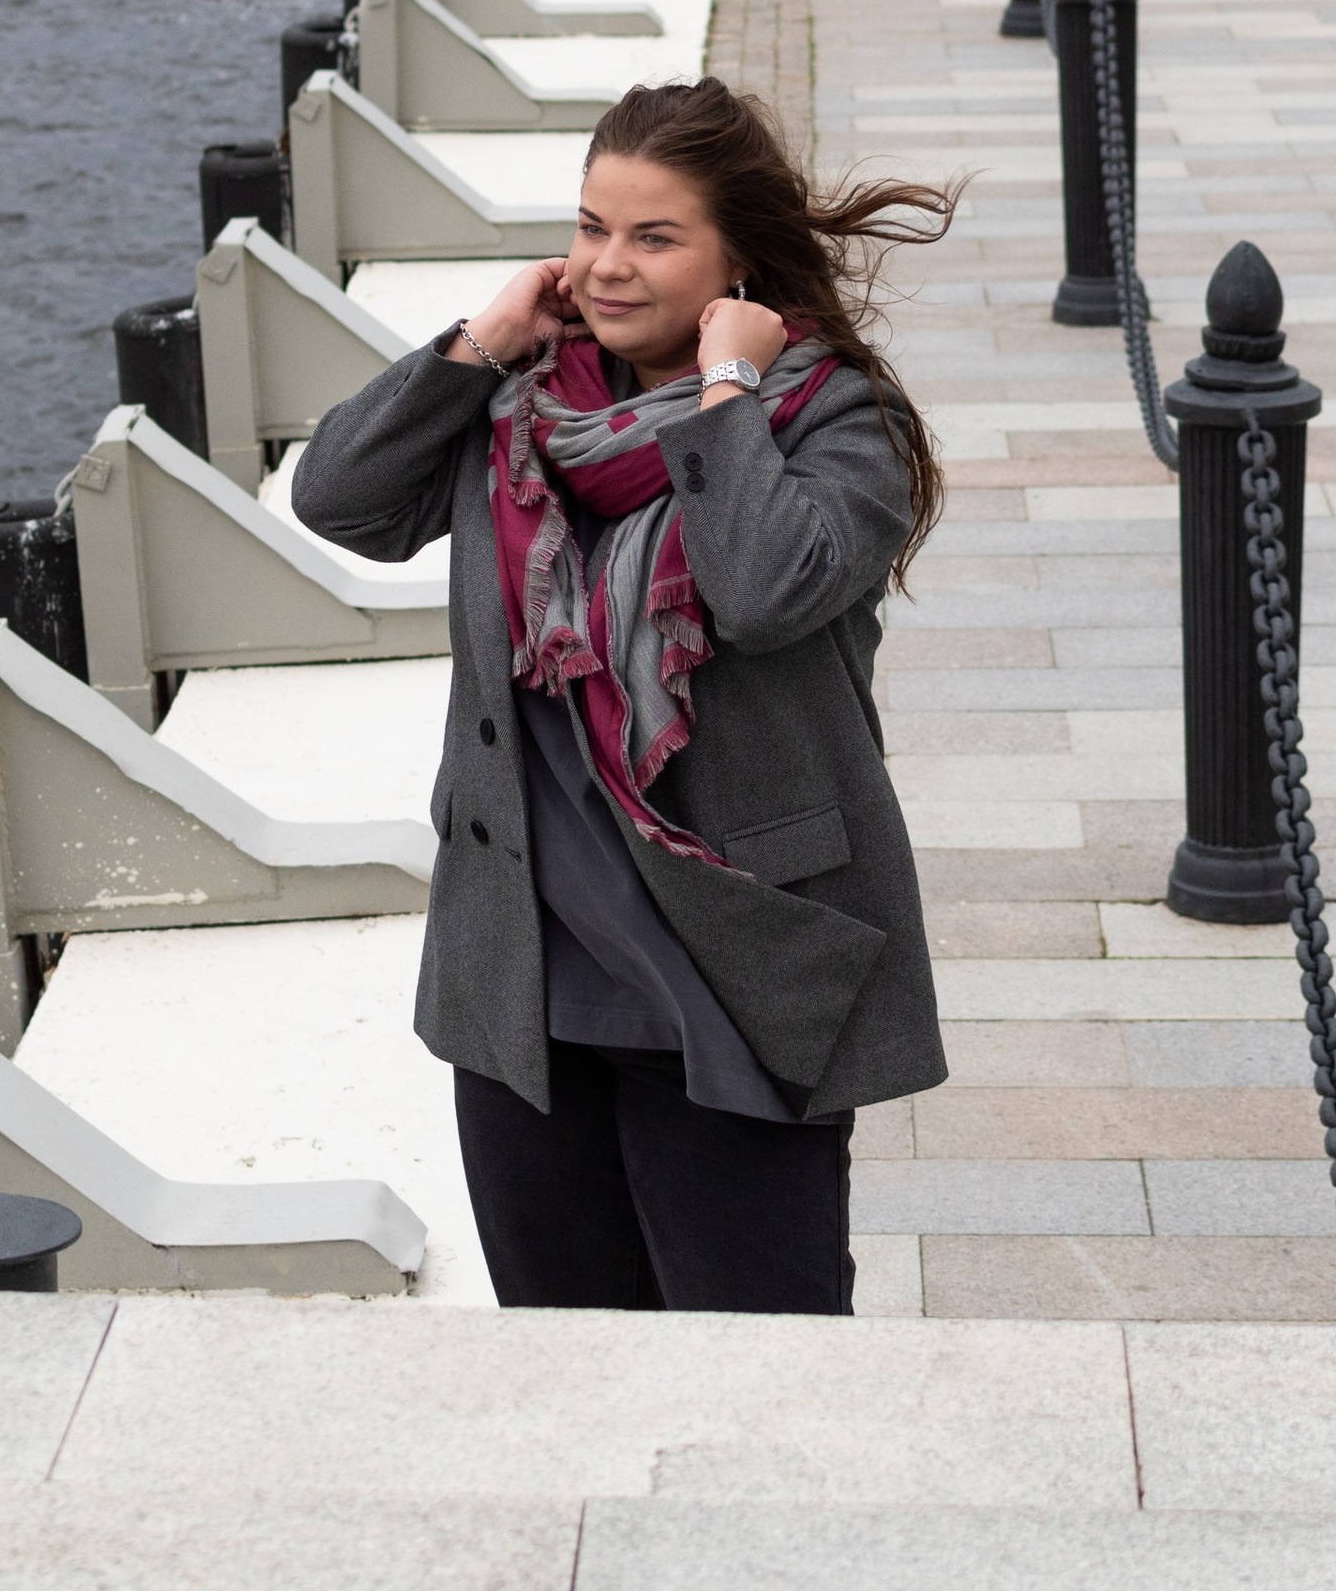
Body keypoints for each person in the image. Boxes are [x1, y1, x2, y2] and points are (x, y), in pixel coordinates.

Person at [293, 78, 955, 1317]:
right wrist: (480, 339)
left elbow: (760, 592)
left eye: (654, 238)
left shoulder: (835, 426)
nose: (607, 267)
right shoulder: (518, 411)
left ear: (738, 261)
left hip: (728, 971)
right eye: (591, 227)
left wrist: (725, 399)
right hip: (526, 976)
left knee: (759, 1354)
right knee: (566, 1352)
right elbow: (339, 500)